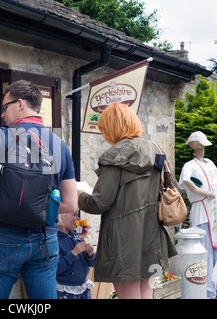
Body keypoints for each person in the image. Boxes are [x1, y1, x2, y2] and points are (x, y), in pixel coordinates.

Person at [0, 80, 78, 299]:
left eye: (5, 107)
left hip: (3, 234)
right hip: (45, 238)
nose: (3, 114)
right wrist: (39, 209)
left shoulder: (0, 136)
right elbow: (71, 204)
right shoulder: (60, 145)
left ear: (20, 103)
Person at [77, 102, 177, 299]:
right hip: (153, 239)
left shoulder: (113, 157)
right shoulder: (155, 150)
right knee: (146, 295)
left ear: (112, 127)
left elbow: (98, 203)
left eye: (104, 129)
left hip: (123, 242)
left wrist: (78, 193)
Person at [178, 131, 217, 299]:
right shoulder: (189, 166)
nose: (202, 149)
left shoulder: (211, 164)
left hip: (216, 213)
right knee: (204, 251)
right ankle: (206, 292)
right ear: (196, 146)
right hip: (201, 211)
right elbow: (187, 183)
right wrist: (204, 192)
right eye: (200, 145)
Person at [56, 211, 95, 299]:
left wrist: (90, 254)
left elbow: (93, 264)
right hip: (66, 292)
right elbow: (56, 269)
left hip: (84, 289)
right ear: (62, 217)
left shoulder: (77, 237)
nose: (78, 218)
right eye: (74, 215)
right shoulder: (56, 241)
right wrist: (73, 253)